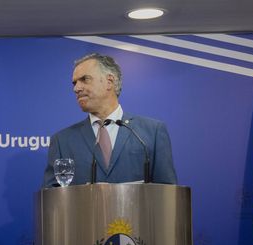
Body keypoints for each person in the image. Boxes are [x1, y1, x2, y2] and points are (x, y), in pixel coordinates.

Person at [42, 53, 177, 187]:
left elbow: (167, 194)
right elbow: (53, 200)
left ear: (109, 82)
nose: (76, 88)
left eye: (84, 79)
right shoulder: (62, 141)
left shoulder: (152, 132)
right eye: (74, 83)